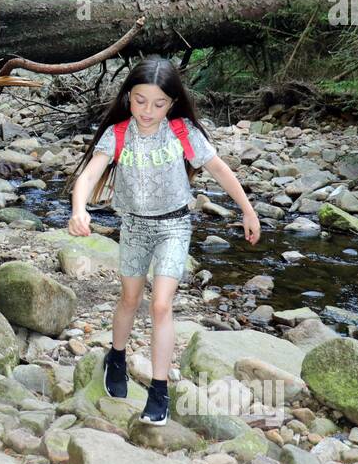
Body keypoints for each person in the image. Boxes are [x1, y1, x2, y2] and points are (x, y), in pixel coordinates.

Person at [67, 57, 260, 425]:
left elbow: (219, 168)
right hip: (134, 227)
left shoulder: (183, 131)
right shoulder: (119, 134)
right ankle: (117, 357)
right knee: (130, 298)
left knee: (160, 306)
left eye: (158, 103)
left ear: (172, 103)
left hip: (174, 226)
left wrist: (248, 211)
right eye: (140, 101)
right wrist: (80, 208)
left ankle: (159, 390)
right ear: (128, 97)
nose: (148, 111)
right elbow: (90, 173)